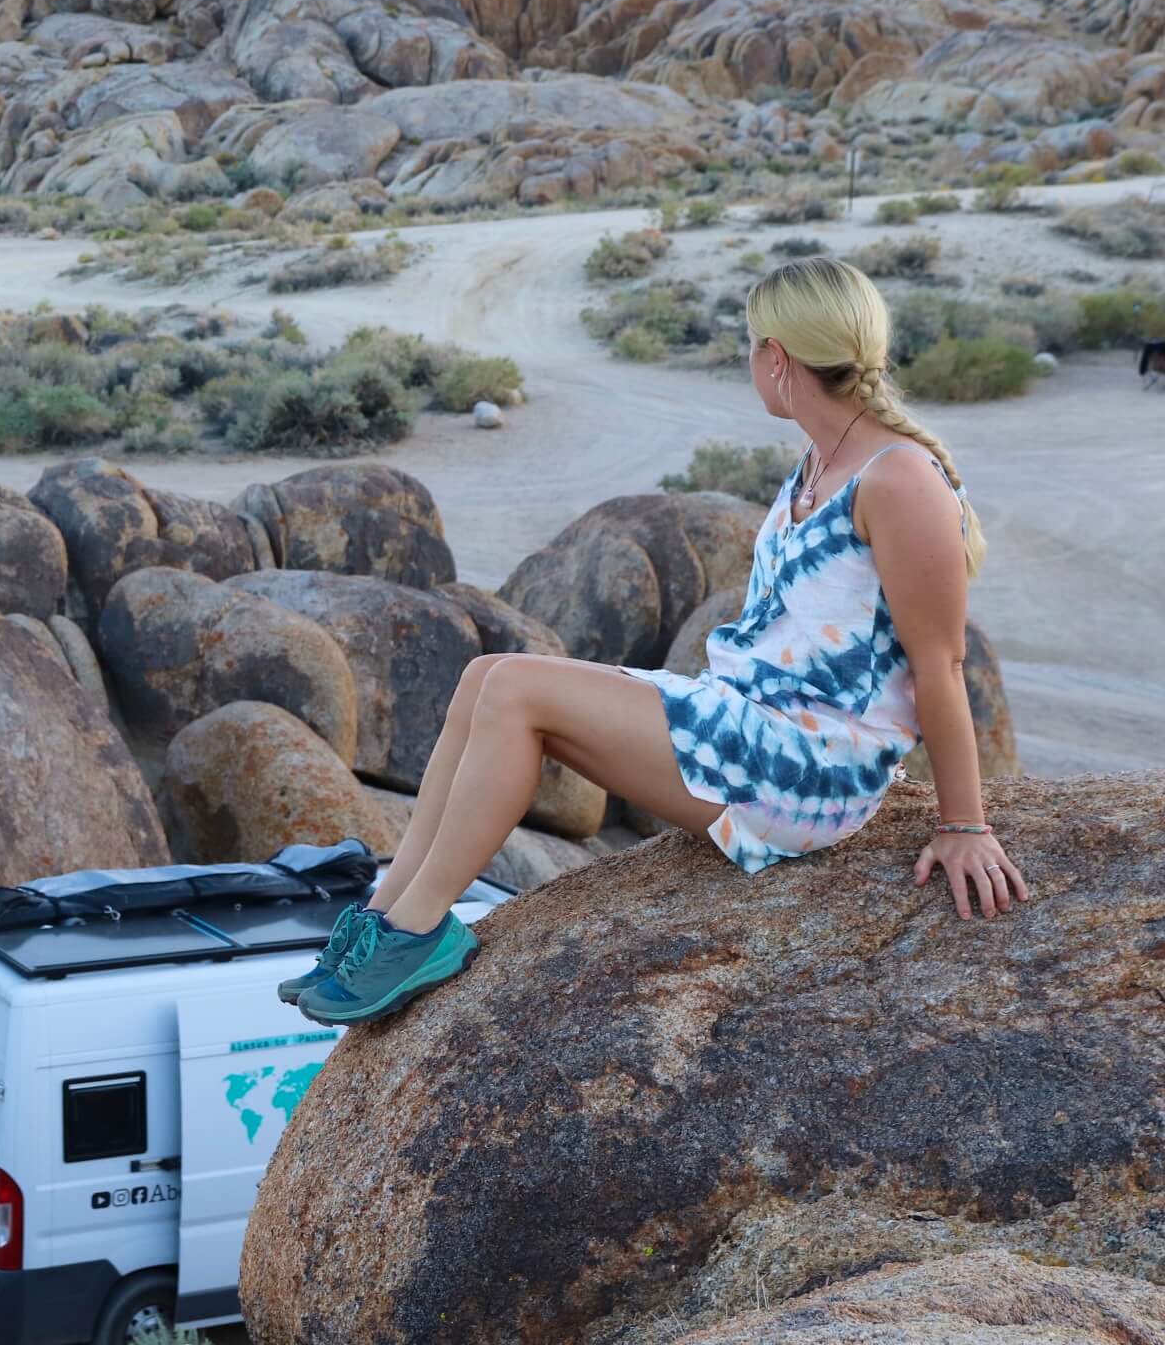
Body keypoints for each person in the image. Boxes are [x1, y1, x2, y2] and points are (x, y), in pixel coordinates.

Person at [278, 256, 1027, 1026]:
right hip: (749, 724)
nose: (749, 363)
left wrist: (964, 826)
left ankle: (418, 931)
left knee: (517, 692)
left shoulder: (899, 479)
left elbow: (943, 664)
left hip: (808, 769)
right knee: (485, 676)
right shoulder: (822, 459)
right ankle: (384, 918)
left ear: (776, 357)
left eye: (750, 347)